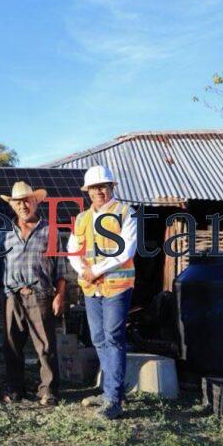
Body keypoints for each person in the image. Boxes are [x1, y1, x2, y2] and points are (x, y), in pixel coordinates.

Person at [68, 165, 137, 420]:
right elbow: (73, 249)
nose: (99, 191)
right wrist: (84, 271)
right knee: (98, 337)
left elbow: (126, 250)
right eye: (94, 188)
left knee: (114, 336)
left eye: (103, 186)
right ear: (88, 192)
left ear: (111, 188)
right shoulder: (82, 218)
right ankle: (112, 391)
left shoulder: (126, 213)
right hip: (91, 287)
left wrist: (95, 269)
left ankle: (114, 398)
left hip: (117, 286)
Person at [0, 181, 66, 406]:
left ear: (35, 202)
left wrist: (60, 295)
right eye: (18, 202)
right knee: (12, 345)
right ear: (12, 205)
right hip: (11, 295)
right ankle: (15, 389)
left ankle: (48, 390)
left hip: (40, 294)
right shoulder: (5, 235)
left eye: (27, 200)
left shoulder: (50, 231)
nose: (23, 205)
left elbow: (60, 267)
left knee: (45, 346)